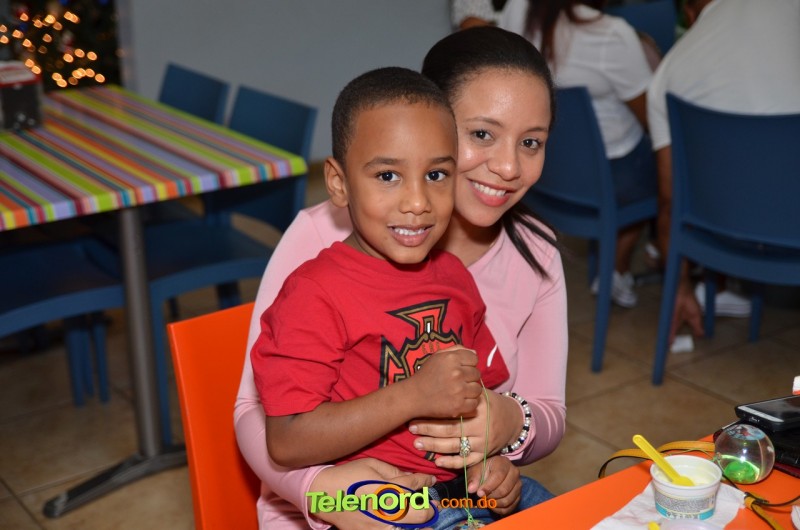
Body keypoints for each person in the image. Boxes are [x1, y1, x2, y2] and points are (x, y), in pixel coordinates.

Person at [235, 26, 567, 529]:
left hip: (455, 495)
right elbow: (265, 420)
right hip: (333, 504)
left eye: (531, 142)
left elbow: (534, 408)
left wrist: (508, 426)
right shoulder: (320, 249)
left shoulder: (511, 259)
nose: (507, 166)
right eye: (482, 134)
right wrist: (326, 493)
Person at [646, 0, 800, 342]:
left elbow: (670, 200)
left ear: (689, 13)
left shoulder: (669, 70)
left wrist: (680, 286)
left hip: (719, 234)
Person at [524, 0, 658, 308]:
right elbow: (653, 119)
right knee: (671, 167)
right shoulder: (612, 35)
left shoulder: (525, 16)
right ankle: (622, 266)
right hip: (609, 180)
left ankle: (644, 253)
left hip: (548, 176)